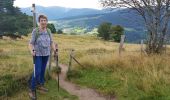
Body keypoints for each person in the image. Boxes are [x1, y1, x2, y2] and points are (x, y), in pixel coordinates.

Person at [28, 14, 56, 99]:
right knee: (37, 71)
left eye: (45, 20)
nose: (43, 22)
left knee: (43, 70)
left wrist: (55, 50)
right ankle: (31, 89)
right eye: (41, 20)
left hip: (46, 54)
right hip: (38, 54)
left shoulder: (48, 31)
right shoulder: (35, 31)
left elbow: (51, 42)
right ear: (39, 22)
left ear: (46, 22)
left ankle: (40, 85)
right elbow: (31, 43)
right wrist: (32, 50)